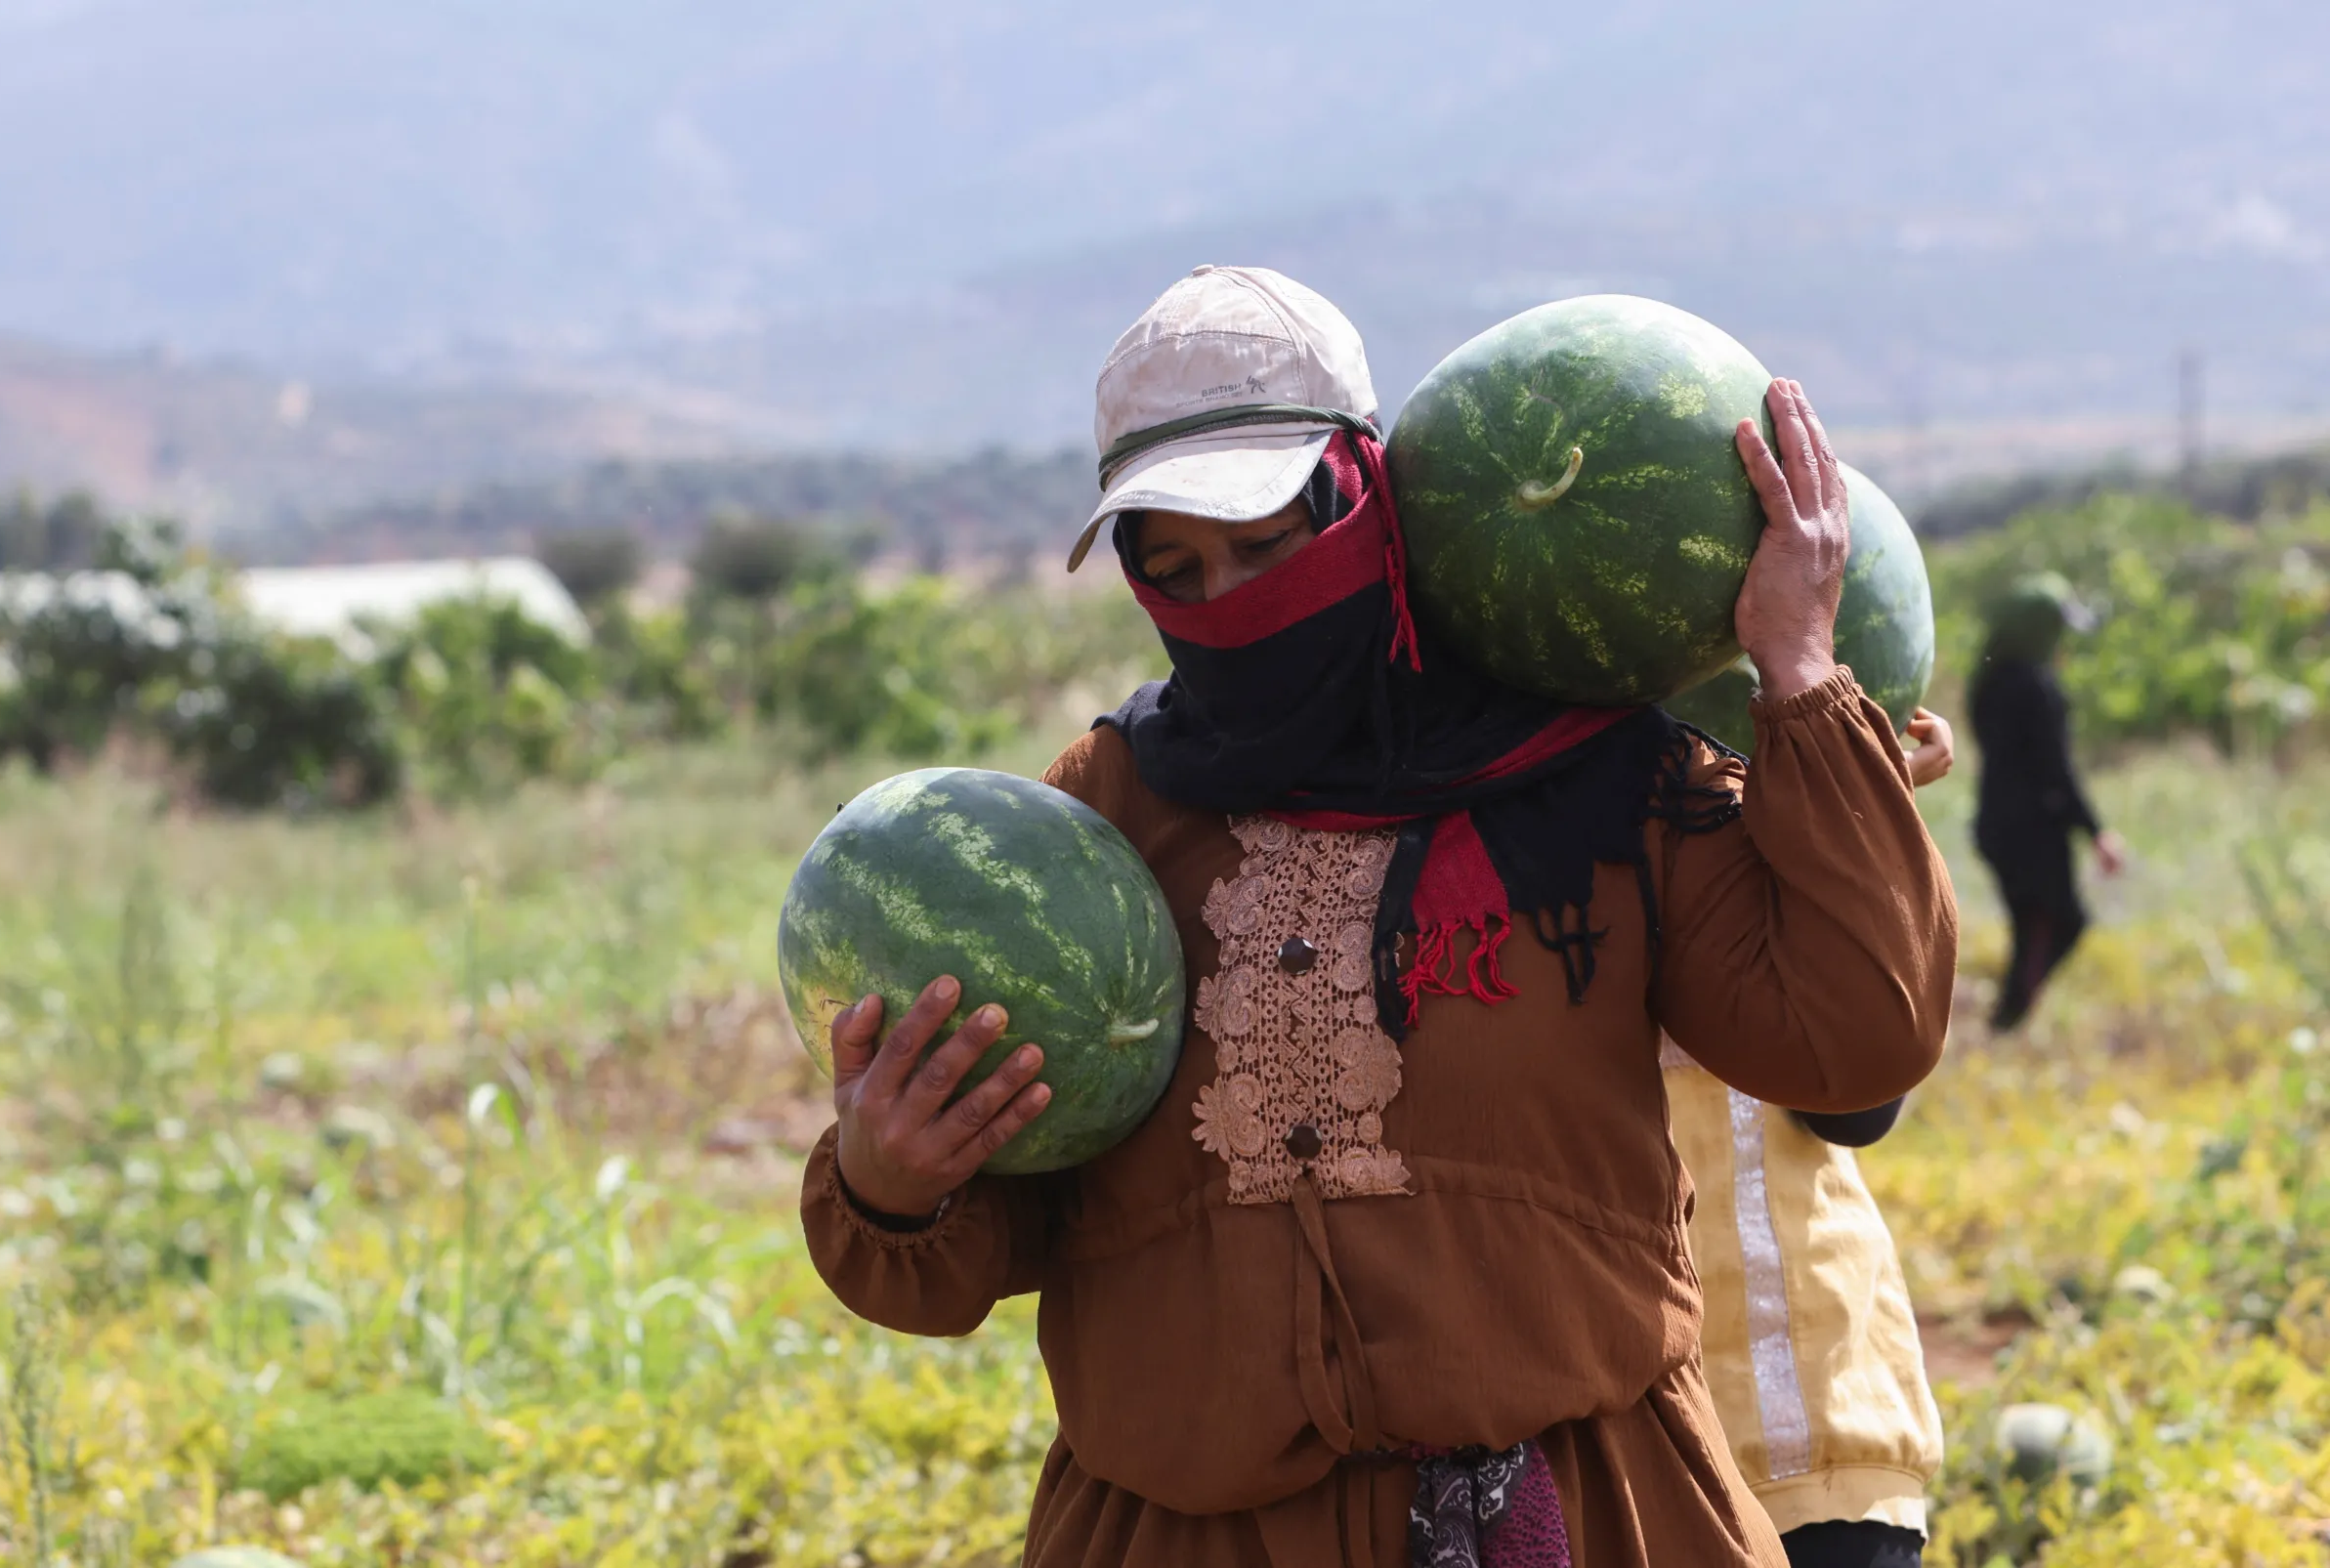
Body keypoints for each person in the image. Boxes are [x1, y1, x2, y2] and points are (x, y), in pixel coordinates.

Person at [801, 265, 1958, 1567]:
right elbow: (1000, 1227)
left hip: (1577, 1517)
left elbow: (1860, 1042)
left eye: (1266, 543)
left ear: (1365, 502)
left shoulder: (1601, 778)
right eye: (1176, 564)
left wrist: (1801, 674)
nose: (1231, 598)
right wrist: (892, 1184)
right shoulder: (1112, 812)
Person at [1663, 709, 1957, 1568]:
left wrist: (1871, 815)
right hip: (1808, 1417)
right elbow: (1860, 1105)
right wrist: (1858, 814)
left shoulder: (1554, 858)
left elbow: (1858, 1101)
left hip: (1788, 1437)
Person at [1968, 573, 2125, 1031]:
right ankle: (2007, 1022)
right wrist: (2098, 833)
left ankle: (2007, 1019)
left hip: (1995, 825)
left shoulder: (1988, 681)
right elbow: (2057, 772)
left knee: (2030, 926)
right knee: (2060, 923)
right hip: (2033, 833)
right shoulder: (2038, 688)